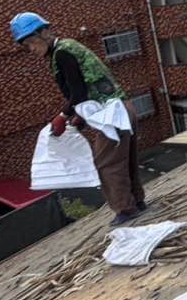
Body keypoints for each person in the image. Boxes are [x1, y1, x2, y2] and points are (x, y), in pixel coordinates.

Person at [10, 12, 148, 224]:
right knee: (123, 160)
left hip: (111, 114)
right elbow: (88, 88)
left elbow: (78, 93)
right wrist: (80, 119)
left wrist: (62, 117)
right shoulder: (68, 48)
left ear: (44, 33)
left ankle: (126, 209)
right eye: (26, 45)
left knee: (106, 163)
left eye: (31, 42)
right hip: (120, 107)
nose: (31, 48)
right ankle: (137, 201)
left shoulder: (63, 53)